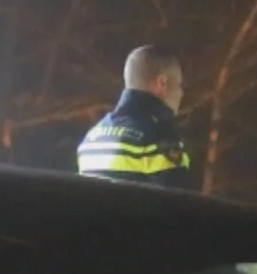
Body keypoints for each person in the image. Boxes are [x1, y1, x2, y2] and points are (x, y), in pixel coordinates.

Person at [77, 46, 195, 190]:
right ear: (162, 83)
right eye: (179, 85)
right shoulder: (158, 137)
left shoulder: (91, 138)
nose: (181, 93)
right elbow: (183, 204)